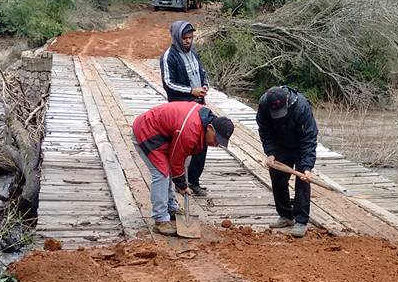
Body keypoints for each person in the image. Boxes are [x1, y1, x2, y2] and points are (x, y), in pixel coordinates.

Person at [132, 101, 234, 236]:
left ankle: (170, 207)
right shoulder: (191, 129)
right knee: (162, 173)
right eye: (216, 140)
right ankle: (160, 220)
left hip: (164, 134)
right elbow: (176, 160)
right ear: (210, 128)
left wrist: (181, 182)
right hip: (147, 131)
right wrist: (181, 184)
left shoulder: (202, 124)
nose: (216, 144)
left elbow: (183, 159)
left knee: (171, 170)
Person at [256, 85, 319, 238]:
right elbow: (264, 130)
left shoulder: (301, 107)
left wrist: (307, 167)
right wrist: (270, 153)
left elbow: (309, 138)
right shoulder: (264, 105)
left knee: (303, 180)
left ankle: (301, 221)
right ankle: (285, 215)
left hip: (300, 145)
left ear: (286, 101)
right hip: (280, 144)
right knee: (277, 178)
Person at [160, 20, 210, 197]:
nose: (188, 41)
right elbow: (168, 84)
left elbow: (202, 73)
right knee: (179, 147)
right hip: (180, 109)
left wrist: (204, 86)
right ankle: (177, 182)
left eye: (190, 38)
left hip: (199, 106)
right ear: (176, 38)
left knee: (202, 143)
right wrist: (191, 91)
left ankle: (193, 181)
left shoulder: (194, 53)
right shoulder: (169, 57)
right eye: (184, 38)